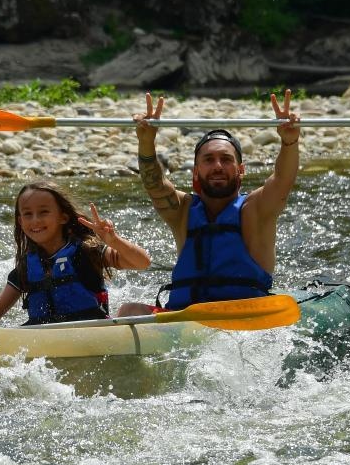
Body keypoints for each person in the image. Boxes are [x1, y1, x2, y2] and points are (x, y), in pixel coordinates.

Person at [119, 89, 300, 315]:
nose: (217, 166)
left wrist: (290, 142)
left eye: (226, 159)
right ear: (195, 172)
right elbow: (155, 185)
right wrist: (146, 143)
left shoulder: (257, 209)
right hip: (185, 319)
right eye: (208, 160)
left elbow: (283, 179)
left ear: (241, 170)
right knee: (129, 311)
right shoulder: (183, 211)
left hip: (245, 317)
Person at [0, 181, 151, 327]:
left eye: (43, 212)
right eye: (28, 214)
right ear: (20, 222)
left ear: (63, 217)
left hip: (92, 332)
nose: (35, 220)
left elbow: (143, 262)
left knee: (132, 310)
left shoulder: (87, 251)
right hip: (41, 337)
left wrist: (114, 241)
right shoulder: (26, 266)